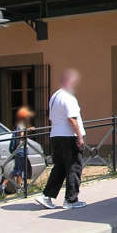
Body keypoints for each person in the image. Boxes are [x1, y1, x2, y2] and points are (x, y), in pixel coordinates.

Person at [35, 69, 86, 210]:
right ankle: (71, 200)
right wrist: (79, 136)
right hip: (69, 136)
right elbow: (72, 118)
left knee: (60, 168)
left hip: (55, 135)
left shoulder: (55, 96)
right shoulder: (68, 97)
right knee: (74, 167)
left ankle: (46, 196)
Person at [4, 106, 34, 193]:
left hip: (18, 149)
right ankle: (19, 189)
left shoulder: (18, 124)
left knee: (16, 170)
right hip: (22, 149)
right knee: (20, 170)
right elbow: (21, 136)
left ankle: (3, 185)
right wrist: (29, 130)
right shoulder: (22, 125)